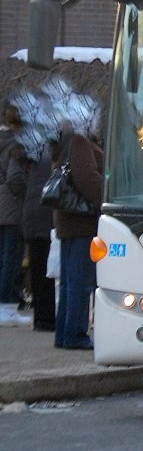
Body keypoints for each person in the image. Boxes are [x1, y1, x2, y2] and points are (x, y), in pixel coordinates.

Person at [51, 122, 103, 350]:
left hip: (69, 221)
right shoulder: (80, 141)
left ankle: (64, 333)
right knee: (80, 282)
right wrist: (107, 199)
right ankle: (75, 334)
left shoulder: (68, 141)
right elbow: (87, 179)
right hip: (82, 222)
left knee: (70, 283)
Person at [0, 98, 30, 327]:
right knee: (11, 259)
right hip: (12, 207)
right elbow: (14, 177)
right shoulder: (18, 144)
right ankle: (7, 307)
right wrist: (26, 194)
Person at [22, 139, 56, 332]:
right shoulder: (51, 156)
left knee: (38, 269)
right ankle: (47, 319)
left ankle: (41, 318)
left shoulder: (35, 154)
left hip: (32, 215)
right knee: (47, 270)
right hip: (45, 216)